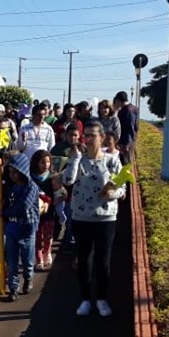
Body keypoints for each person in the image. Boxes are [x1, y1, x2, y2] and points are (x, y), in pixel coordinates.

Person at [62, 123, 127, 317]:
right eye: (86, 136)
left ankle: (101, 298)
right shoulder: (79, 160)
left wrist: (112, 193)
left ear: (102, 138)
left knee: (103, 261)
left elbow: (123, 188)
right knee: (84, 260)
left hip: (106, 218)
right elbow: (68, 181)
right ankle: (85, 299)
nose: (88, 139)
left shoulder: (112, 160)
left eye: (92, 136)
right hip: (81, 218)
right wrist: (75, 158)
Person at [1, 152, 40, 302]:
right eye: (10, 172)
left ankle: (28, 278)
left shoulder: (31, 187)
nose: (13, 175)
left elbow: (23, 206)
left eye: (16, 172)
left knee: (27, 259)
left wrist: (4, 212)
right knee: (11, 260)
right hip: (11, 228)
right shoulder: (11, 188)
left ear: (23, 170)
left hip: (27, 228)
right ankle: (13, 288)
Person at [30, 149, 56, 271]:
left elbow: (58, 192)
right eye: (42, 162)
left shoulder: (52, 177)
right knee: (37, 236)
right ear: (36, 163)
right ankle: (39, 259)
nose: (45, 165)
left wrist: (52, 201)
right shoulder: (31, 178)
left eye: (47, 162)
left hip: (50, 211)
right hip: (35, 212)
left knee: (48, 235)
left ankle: (47, 252)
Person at [114, 91, 139, 165]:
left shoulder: (127, 111)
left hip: (125, 144)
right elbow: (135, 127)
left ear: (118, 100)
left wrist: (126, 144)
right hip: (130, 141)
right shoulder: (133, 109)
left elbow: (129, 128)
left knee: (125, 165)